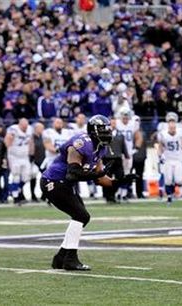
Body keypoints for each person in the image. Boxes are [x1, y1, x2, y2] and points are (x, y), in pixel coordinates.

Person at [41, 115, 137, 270]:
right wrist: (97, 175)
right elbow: (73, 172)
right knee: (81, 215)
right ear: (93, 131)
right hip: (53, 182)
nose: (106, 132)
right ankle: (70, 259)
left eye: (107, 129)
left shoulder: (101, 147)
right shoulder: (81, 143)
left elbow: (100, 178)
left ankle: (61, 257)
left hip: (65, 184)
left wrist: (119, 181)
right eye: (102, 129)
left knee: (82, 217)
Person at [157, 113, 182, 205]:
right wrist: (160, 156)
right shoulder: (163, 134)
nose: (172, 130)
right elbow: (160, 146)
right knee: (168, 180)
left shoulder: (180, 132)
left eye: (173, 128)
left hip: (178, 159)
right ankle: (169, 197)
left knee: (178, 180)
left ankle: (177, 190)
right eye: (170, 128)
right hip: (168, 159)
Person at [4, 118, 33, 205]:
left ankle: (14, 191)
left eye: (26, 126)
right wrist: (6, 155)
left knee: (26, 177)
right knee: (16, 176)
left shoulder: (30, 129)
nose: (25, 128)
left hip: (25, 156)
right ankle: (16, 197)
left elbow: (31, 141)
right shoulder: (13, 129)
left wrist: (31, 153)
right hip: (14, 156)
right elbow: (7, 141)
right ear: (19, 124)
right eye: (23, 126)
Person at [116, 108, 142, 201]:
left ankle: (123, 193)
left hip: (128, 153)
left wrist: (136, 148)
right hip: (118, 152)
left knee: (127, 173)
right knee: (118, 173)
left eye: (127, 116)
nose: (125, 118)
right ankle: (118, 191)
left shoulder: (133, 124)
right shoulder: (116, 123)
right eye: (124, 115)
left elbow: (138, 137)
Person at [102, 118, 128, 203]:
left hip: (117, 159)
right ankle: (108, 196)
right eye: (111, 123)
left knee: (120, 177)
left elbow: (123, 146)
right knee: (107, 178)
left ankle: (113, 193)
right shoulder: (103, 135)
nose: (113, 125)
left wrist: (126, 155)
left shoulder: (120, 135)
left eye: (114, 123)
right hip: (107, 159)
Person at [30, 122, 45, 202]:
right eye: (40, 128)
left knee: (45, 178)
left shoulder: (44, 137)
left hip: (43, 160)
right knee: (33, 179)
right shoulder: (31, 137)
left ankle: (44, 195)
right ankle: (33, 195)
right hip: (34, 161)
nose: (42, 130)